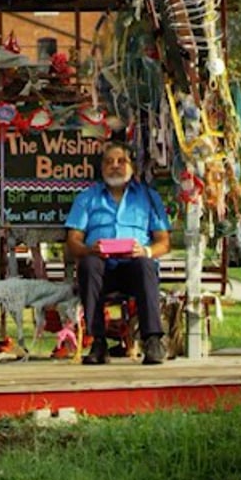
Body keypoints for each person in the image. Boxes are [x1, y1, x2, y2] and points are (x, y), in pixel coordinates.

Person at [64, 140, 173, 366]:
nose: (115, 166)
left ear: (132, 166)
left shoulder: (148, 197)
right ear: (101, 167)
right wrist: (88, 249)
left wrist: (145, 250)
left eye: (121, 161)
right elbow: (73, 241)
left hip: (134, 269)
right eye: (109, 162)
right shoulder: (88, 198)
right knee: (88, 264)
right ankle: (99, 343)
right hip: (102, 270)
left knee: (145, 264)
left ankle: (152, 340)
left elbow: (164, 242)